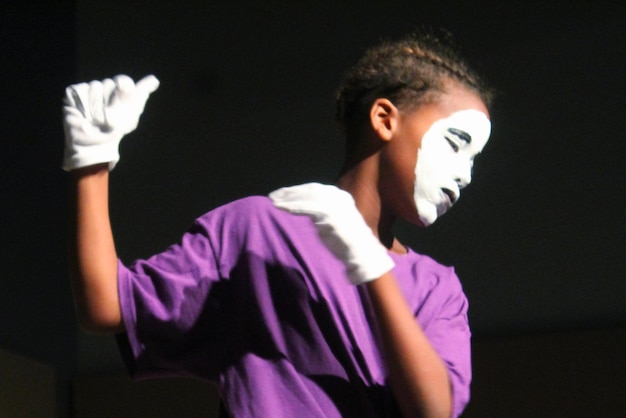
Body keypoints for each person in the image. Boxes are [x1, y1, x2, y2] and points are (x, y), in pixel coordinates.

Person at [63, 33, 493, 418]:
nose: (465, 175)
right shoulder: (258, 230)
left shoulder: (439, 289)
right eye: (457, 144)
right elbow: (107, 308)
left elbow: (433, 411)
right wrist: (92, 161)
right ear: (384, 119)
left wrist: (370, 266)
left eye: (474, 160)